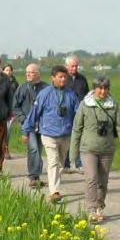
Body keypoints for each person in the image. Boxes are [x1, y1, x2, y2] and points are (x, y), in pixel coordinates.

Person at [69, 76, 120, 222]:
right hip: (88, 149)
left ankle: (99, 206)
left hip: (107, 149)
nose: (102, 91)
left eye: (105, 88)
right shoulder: (85, 105)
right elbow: (76, 129)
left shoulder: (113, 105)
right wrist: (73, 155)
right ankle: (91, 209)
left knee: (103, 180)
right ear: (94, 88)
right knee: (91, 178)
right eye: (100, 88)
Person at [21, 65, 79, 203]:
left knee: (60, 162)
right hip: (48, 134)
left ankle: (54, 185)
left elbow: (79, 114)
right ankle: (54, 191)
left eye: (65, 77)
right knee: (53, 161)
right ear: (53, 78)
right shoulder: (45, 94)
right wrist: (26, 130)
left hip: (66, 134)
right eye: (60, 77)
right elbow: (34, 113)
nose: (63, 79)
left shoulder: (71, 95)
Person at [12, 63, 48, 189]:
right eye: (27, 72)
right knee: (33, 149)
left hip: (43, 125)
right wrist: (23, 120)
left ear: (38, 74)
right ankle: (34, 177)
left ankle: (35, 175)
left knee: (38, 149)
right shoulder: (22, 88)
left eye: (31, 72)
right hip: (29, 125)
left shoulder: (46, 88)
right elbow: (15, 107)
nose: (28, 74)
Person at [64, 55, 88, 172]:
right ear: (66, 66)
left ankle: (79, 164)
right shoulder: (62, 79)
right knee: (66, 138)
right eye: (72, 66)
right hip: (67, 114)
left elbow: (87, 95)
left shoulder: (82, 79)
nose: (74, 68)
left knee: (80, 138)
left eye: (76, 66)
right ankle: (66, 164)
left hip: (80, 113)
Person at [2, 63, 19, 160]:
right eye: (6, 70)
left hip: (11, 111)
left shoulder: (15, 83)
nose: (8, 72)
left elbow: (18, 97)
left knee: (8, 130)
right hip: (0, 111)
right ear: (3, 71)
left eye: (10, 70)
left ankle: (6, 148)